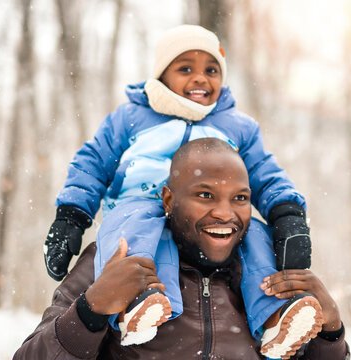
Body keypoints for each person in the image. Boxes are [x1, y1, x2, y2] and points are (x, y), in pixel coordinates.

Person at [43, 24, 312, 351]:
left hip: (207, 218)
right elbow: (92, 162)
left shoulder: (237, 126)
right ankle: (139, 299)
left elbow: (264, 171)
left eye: (211, 70)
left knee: (256, 235)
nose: (201, 78)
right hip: (138, 203)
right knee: (138, 232)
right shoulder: (131, 117)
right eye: (186, 68)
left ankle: (273, 317)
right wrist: (71, 216)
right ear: (161, 75)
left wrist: (287, 214)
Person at [17, 139, 349, 359]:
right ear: (169, 200)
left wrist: (330, 333)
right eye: (205, 195)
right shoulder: (114, 256)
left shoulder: (268, 273)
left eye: (240, 198)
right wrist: (91, 310)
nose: (225, 212)